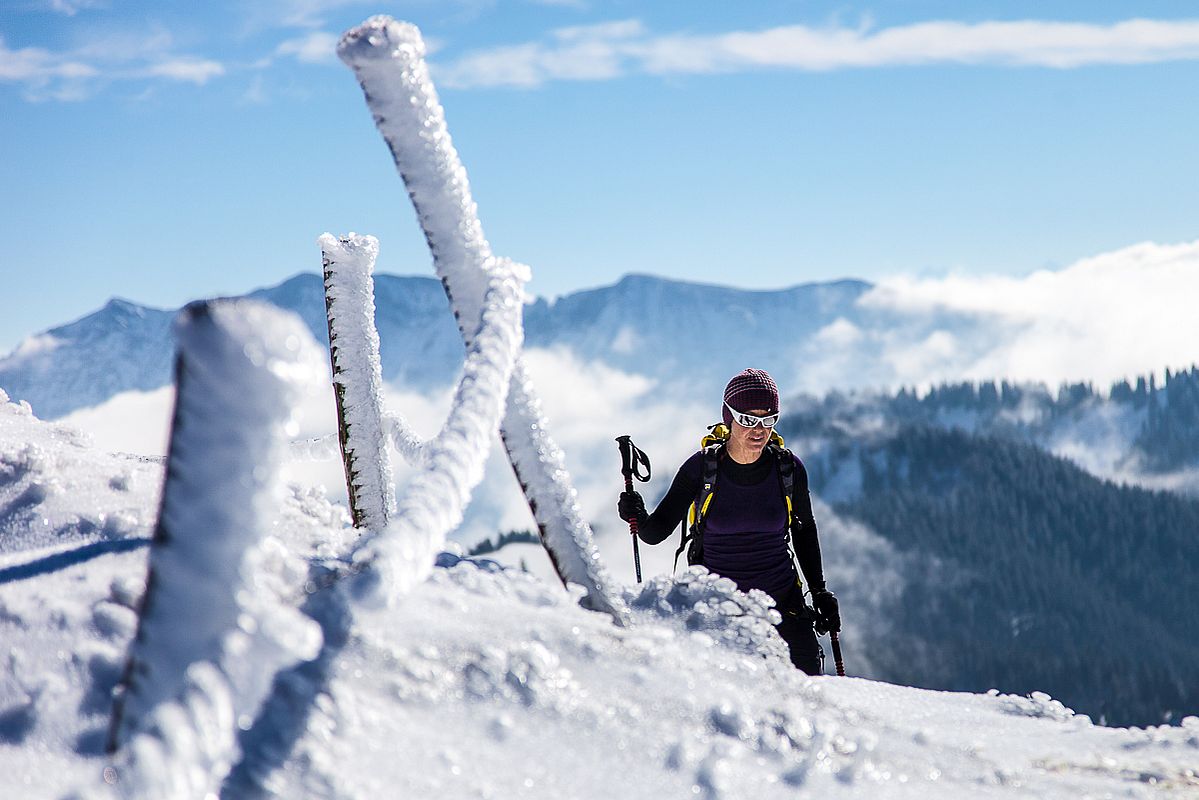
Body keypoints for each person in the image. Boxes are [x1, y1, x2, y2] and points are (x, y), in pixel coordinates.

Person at [617, 368, 839, 674]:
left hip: (783, 609)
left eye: (768, 419)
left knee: (810, 700)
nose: (759, 430)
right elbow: (655, 533)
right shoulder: (701, 469)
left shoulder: (788, 469)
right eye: (748, 419)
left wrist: (819, 592)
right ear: (729, 418)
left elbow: (803, 531)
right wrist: (637, 513)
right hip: (717, 614)